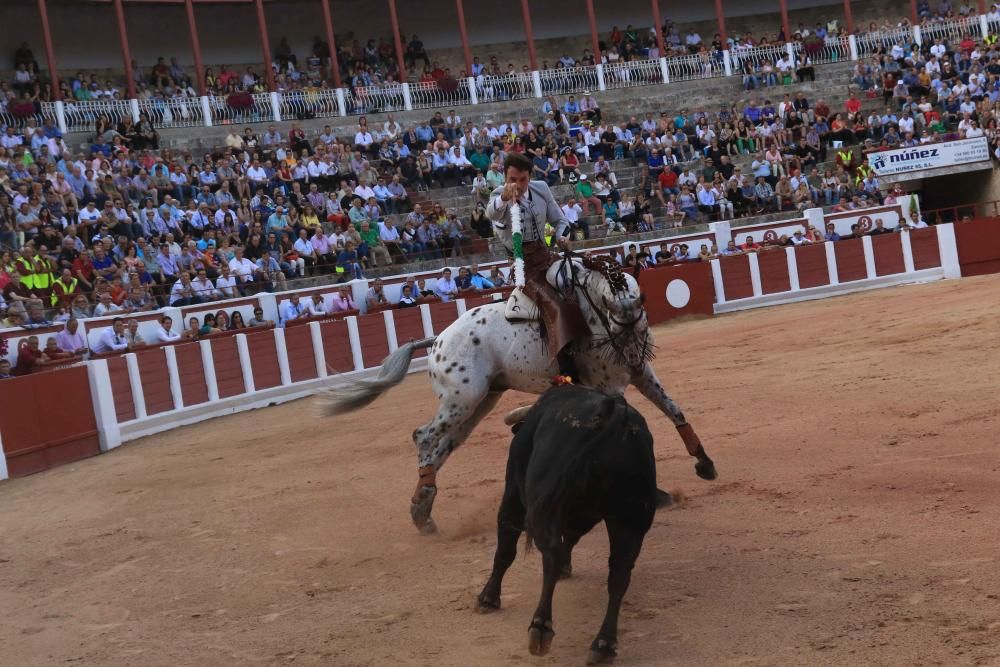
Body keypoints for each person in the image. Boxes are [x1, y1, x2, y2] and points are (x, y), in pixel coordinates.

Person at [485, 153, 587, 377]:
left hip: (546, 256)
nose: (517, 185)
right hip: (523, 266)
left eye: (522, 180)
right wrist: (504, 196)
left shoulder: (541, 188)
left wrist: (561, 235)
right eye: (512, 179)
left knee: (582, 284)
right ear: (505, 177)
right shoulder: (497, 196)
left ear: (530, 177)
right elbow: (491, 213)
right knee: (555, 306)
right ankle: (567, 371)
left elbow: (560, 221)